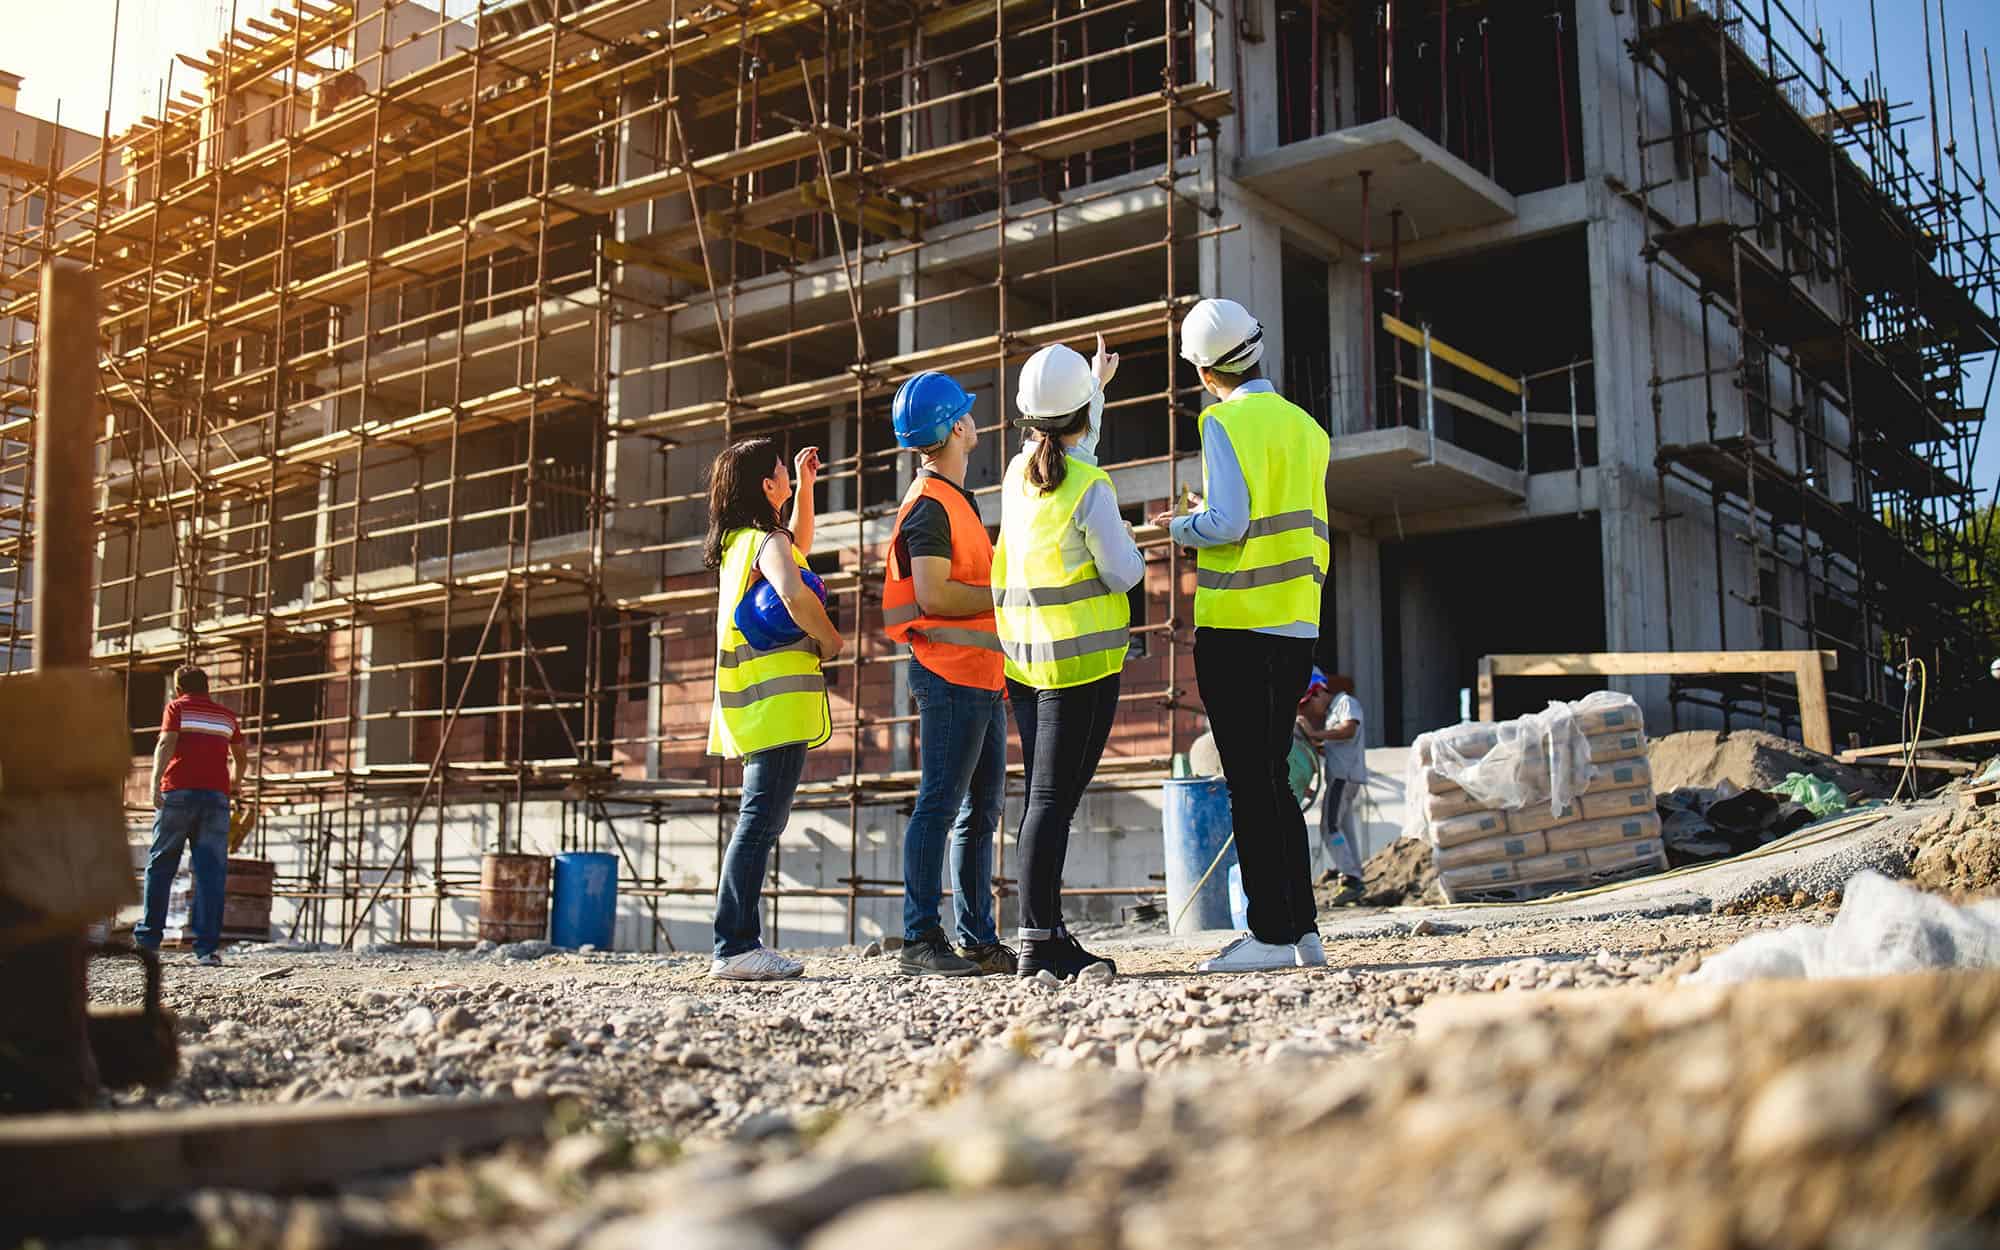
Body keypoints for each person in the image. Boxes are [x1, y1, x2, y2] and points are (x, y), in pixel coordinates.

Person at [1152, 297, 1331, 973]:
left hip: (1239, 627)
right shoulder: (1308, 428)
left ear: (1203, 372)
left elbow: (1228, 523)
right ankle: (1302, 928)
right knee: (1275, 781)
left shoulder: (1222, 420)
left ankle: (1270, 932)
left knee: (1250, 784)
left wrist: (1179, 525)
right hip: (1296, 625)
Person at [993, 336, 1143, 981]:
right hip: (1080, 667)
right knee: (1052, 801)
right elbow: (1124, 573)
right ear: (1080, 415)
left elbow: (1067, 443)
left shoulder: (1016, 475)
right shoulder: (1090, 485)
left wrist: (1095, 388)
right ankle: (1039, 943)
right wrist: (1134, 541)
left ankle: (1045, 934)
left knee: (1045, 800)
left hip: (1026, 663)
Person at [883, 372, 1014, 977]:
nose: (974, 420)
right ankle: (920, 939)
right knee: (939, 804)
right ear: (957, 427)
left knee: (979, 812)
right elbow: (934, 594)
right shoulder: (930, 506)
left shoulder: (955, 499)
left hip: (981, 675)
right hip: (949, 674)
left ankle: (977, 938)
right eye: (967, 413)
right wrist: (1005, 591)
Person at [704, 437, 842, 981]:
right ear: (766, 485)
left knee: (758, 821)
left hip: (752, 706)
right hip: (776, 707)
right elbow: (793, 591)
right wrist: (830, 639)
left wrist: (807, 489)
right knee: (758, 823)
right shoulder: (765, 540)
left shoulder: (742, 542)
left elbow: (795, 552)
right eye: (784, 472)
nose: (788, 475)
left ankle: (734, 943)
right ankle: (735, 945)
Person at [135, 664, 247, 967]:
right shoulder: (226, 716)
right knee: (211, 873)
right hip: (215, 798)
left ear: (178, 688)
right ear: (207, 687)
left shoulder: (176, 708)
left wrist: (154, 783)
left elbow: (166, 743)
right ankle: (206, 949)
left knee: (160, 866)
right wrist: (234, 785)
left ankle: (148, 942)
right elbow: (240, 755)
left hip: (178, 794)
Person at [1298, 670, 1366, 899]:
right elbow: (1332, 745)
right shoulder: (1331, 713)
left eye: (1310, 703)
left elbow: (1348, 730)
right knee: (1344, 828)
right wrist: (1313, 740)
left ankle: (1350, 877)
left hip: (1342, 777)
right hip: (1343, 775)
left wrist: (1315, 732)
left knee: (1329, 828)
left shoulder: (1345, 702)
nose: (1311, 709)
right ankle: (1353, 874)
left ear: (1318, 692)